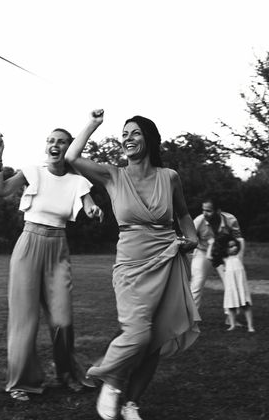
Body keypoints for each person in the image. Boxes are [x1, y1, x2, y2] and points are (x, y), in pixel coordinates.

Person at [65, 110, 200, 420]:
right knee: (138, 333)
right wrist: (94, 123)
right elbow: (73, 156)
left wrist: (191, 238)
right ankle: (110, 383)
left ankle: (132, 404)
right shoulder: (113, 175)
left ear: (149, 139)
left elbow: (183, 214)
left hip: (168, 261)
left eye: (135, 132)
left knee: (155, 339)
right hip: (131, 265)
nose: (127, 138)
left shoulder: (170, 177)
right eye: (124, 133)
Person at [0, 129, 104, 401]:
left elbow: (89, 206)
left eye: (62, 142)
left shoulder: (78, 182)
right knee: (24, 320)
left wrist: (94, 210)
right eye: (51, 141)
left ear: (69, 148)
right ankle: (22, 382)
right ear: (46, 146)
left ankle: (67, 374)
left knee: (63, 320)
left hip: (58, 248)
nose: (55, 145)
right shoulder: (33, 172)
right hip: (29, 245)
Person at [191, 198, 245, 314]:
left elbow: (239, 239)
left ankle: (230, 318)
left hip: (223, 254)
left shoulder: (230, 220)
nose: (205, 213)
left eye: (209, 210)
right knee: (197, 283)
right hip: (202, 252)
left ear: (218, 211)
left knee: (230, 283)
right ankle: (190, 318)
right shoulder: (198, 221)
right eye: (203, 210)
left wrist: (237, 259)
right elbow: (190, 240)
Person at [210, 233, 255, 332]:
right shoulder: (224, 259)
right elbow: (209, 256)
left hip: (241, 285)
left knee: (246, 304)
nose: (234, 248)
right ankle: (232, 325)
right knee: (231, 305)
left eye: (235, 245)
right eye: (230, 246)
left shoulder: (239, 256)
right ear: (224, 249)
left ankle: (250, 326)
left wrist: (232, 237)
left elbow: (241, 240)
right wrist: (212, 243)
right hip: (231, 285)